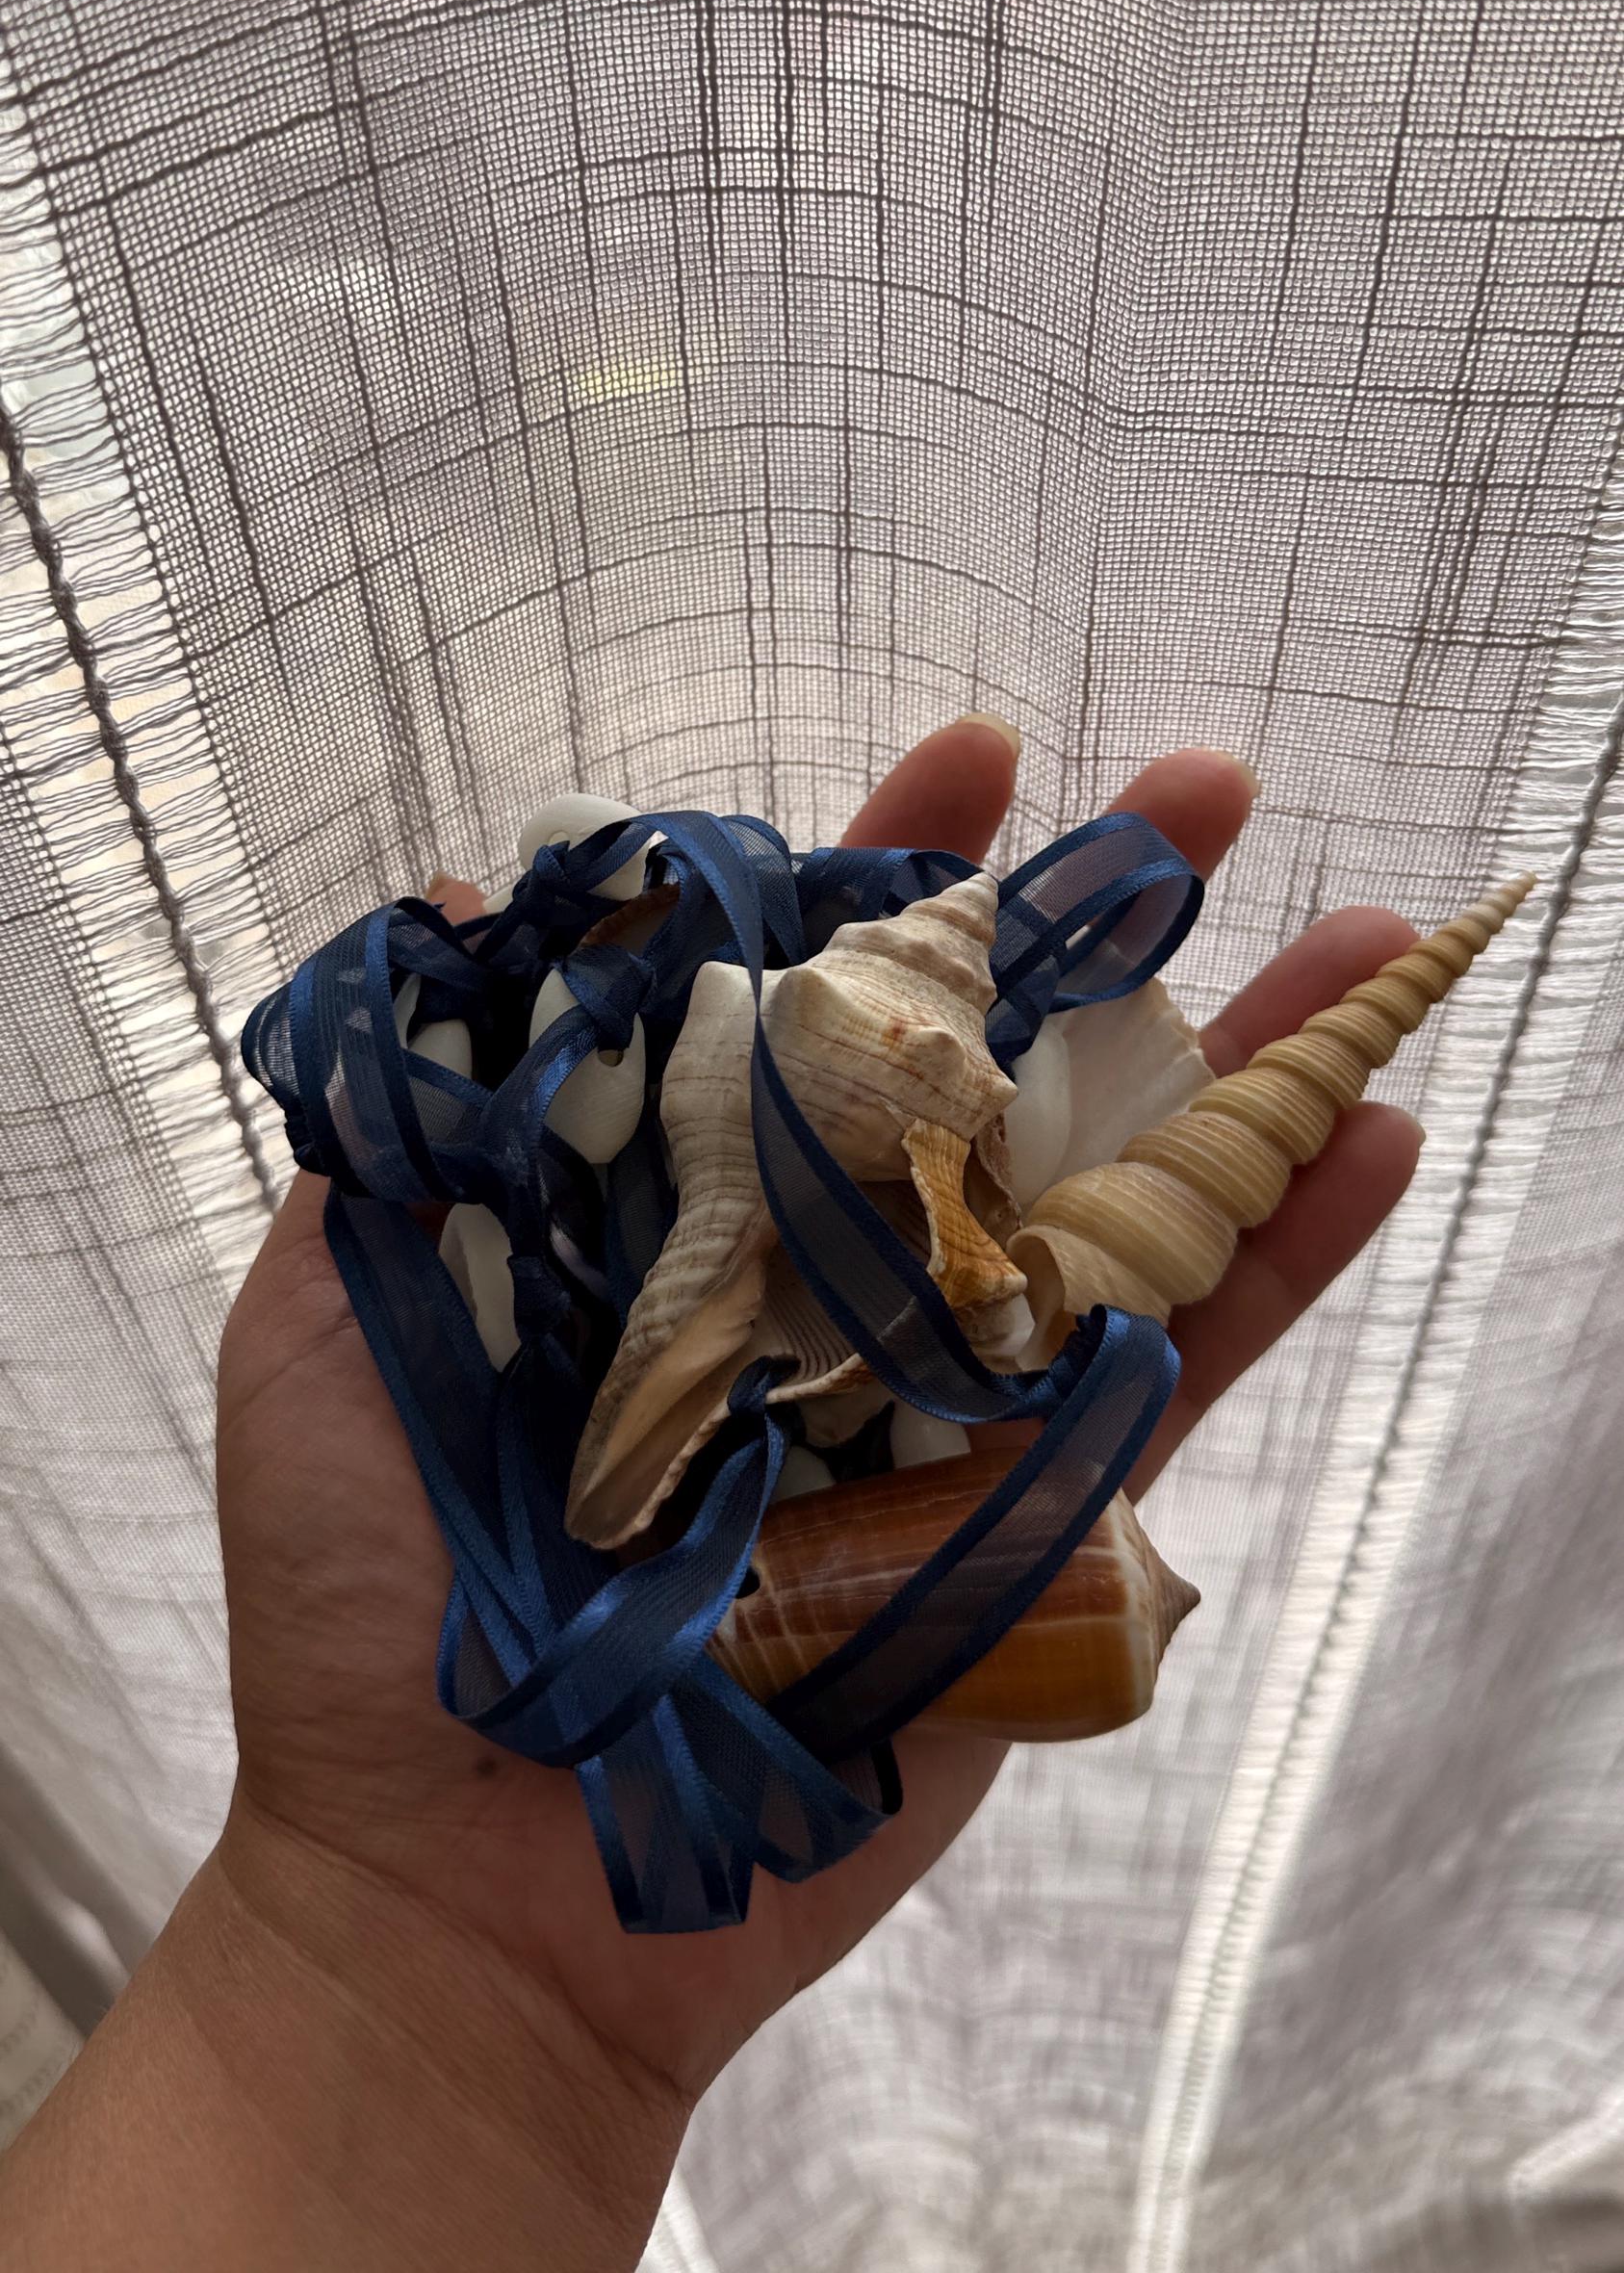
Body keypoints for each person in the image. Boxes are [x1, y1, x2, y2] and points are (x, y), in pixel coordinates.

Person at [0, 723, 1421, 2273]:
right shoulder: (737, 1039)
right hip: (810, 1162)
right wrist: (392, 1920)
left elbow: (958, 1288)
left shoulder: (797, 1081)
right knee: (724, 1347)